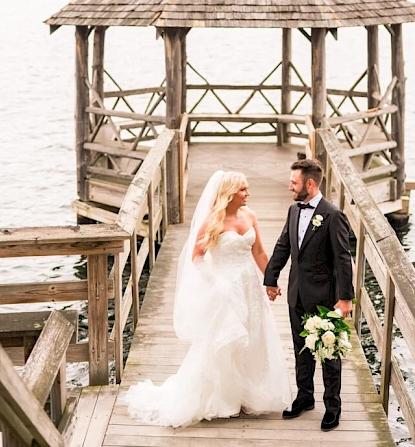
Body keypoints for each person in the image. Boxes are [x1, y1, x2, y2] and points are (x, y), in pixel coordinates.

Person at [124, 170, 292, 427]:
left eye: (247, 189)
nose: (248, 194)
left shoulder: (250, 215)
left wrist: (270, 281)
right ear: (229, 193)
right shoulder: (213, 221)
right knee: (228, 341)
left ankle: (249, 394)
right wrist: (218, 284)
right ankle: (226, 399)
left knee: (254, 336)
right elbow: (197, 258)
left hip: (250, 286)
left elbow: (258, 251)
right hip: (225, 289)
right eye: (243, 190)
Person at [264, 158, 354, 432]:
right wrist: (271, 278)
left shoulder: (332, 215)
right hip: (296, 294)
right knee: (300, 349)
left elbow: (342, 258)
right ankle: (304, 397)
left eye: (294, 182)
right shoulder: (293, 210)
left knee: (328, 353)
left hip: (325, 297)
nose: (290, 186)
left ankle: (333, 406)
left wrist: (345, 298)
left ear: (310, 183)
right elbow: (283, 246)